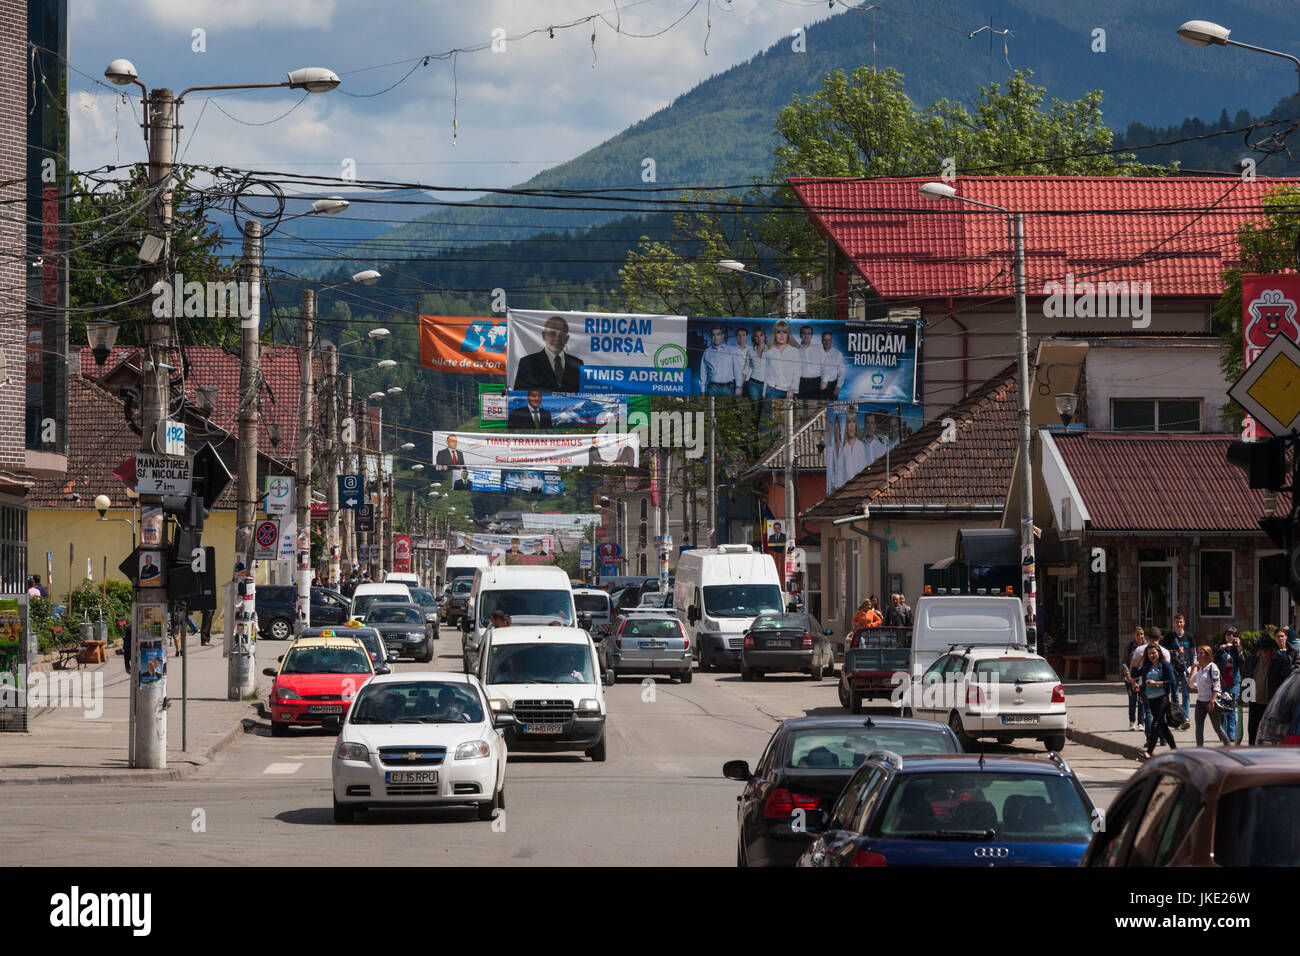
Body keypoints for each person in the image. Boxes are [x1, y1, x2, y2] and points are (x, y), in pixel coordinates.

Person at [513, 314, 584, 391]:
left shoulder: (578, 364)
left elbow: (583, 393)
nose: (557, 338)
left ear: (566, 339)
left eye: (561, 335)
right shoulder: (528, 362)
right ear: (543, 335)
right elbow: (520, 393)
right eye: (552, 333)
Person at [1134, 643, 1178, 759]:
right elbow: (1134, 674)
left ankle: (1149, 752)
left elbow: (1172, 681)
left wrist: (1157, 683)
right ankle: (1175, 751)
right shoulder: (1147, 667)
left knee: (1155, 724)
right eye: (1149, 653)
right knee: (1163, 726)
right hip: (1150, 699)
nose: (1151, 655)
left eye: (1153, 653)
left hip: (1162, 698)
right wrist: (1138, 660)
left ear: (1159, 653)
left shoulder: (1165, 665)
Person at [1246, 638, 1292, 745]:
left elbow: (1287, 680)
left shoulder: (1280, 661)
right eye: (1264, 651)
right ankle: (1251, 750)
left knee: (1268, 732)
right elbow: (1248, 675)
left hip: (1271, 703)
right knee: (1252, 729)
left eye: (1270, 651)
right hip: (1255, 701)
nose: (1267, 654)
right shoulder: (1255, 659)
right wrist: (1244, 694)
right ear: (1260, 651)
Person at [1190, 644, 1231, 746]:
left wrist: (1212, 701)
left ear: (1207, 655)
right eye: (1198, 653)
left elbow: (1217, 686)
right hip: (1200, 702)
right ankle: (1200, 750)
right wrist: (1194, 668)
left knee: (1217, 728)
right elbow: (1190, 683)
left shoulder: (1212, 667)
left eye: (1201, 653)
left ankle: (1228, 746)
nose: (1198, 655)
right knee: (1199, 729)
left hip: (1211, 702)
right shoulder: (1200, 669)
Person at [1215, 627, 1243, 742]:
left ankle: (1231, 734)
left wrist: (1238, 647)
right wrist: (1220, 650)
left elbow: (1242, 661)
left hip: (1234, 682)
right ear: (1225, 636)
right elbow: (1214, 660)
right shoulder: (1219, 647)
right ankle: (1224, 734)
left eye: (1233, 634)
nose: (1231, 636)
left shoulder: (1237, 648)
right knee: (1222, 709)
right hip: (1222, 682)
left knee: (1231, 708)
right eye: (1228, 634)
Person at [1162, 614, 1193, 716]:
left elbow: (1194, 653)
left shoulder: (1189, 636)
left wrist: (1192, 667)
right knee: (1174, 694)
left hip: (1185, 669)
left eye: (1181, 622)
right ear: (1174, 623)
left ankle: (1185, 716)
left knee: (1186, 694)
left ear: (1184, 622)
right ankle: (1177, 716)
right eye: (1177, 622)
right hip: (1174, 670)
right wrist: (1175, 651)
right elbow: (1164, 652)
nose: (1179, 624)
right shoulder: (1169, 637)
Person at [761, 321, 801, 400]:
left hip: (790, 392)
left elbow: (798, 372)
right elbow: (765, 373)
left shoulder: (794, 351)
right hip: (771, 391)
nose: (782, 335)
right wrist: (764, 393)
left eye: (785, 332)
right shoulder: (768, 351)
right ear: (774, 334)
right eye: (778, 332)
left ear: (788, 335)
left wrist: (792, 389)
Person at [700, 325, 742, 396]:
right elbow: (703, 372)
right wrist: (702, 389)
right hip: (712, 388)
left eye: (718, 334)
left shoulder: (731, 350)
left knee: (729, 407)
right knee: (710, 406)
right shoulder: (707, 352)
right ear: (711, 337)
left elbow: (737, 369)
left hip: (728, 388)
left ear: (722, 336)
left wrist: (738, 386)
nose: (716, 337)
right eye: (713, 335)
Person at [1122, 627, 1146, 731]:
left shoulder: (1147, 646)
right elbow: (1124, 662)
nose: (1140, 636)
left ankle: (1141, 722)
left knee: (1142, 700)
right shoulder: (1129, 646)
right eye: (1137, 634)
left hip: (1142, 677)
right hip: (1131, 677)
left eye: (1141, 634)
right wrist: (1129, 676)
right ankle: (1132, 722)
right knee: (1132, 700)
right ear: (1134, 635)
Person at [837, 416, 870, 484]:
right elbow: (839, 471)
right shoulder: (843, 447)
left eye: (854, 422)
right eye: (849, 422)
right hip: (844, 488)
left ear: (856, 425)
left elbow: (863, 468)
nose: (851, 425)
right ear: (846, 426)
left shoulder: (861, 445)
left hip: (858, 486)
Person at [818, 331, 847, 400]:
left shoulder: (838, 354)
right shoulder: (817, 353)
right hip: (819, 384)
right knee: (820, 407)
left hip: (833, 385)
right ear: (822, 341)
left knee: (832, 408)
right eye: (825, 340)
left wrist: (838, 386)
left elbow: (842, 372)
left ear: (832, 341)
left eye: (829, 340)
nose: (827, 342)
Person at [797, 325, 821, 399]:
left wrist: (825, 380)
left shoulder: (819, 348)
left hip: (817, 382)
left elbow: (825, 365)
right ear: (800, 335)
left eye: (809, 333)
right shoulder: (796, 351)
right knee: (801, 406)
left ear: (811, 336)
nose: (806, 336)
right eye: (804, 333)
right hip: (801, 383)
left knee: (817, 406)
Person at [746, 328, 767, 400]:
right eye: (756, 336)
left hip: (767, 385)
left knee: (766, 408)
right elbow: (747, 368)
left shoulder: (771, 351)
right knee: (755, 407)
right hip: (753, 383)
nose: (759, 338)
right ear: (754, 338)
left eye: (761, 335)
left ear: (764, 337)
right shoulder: (750, 351)